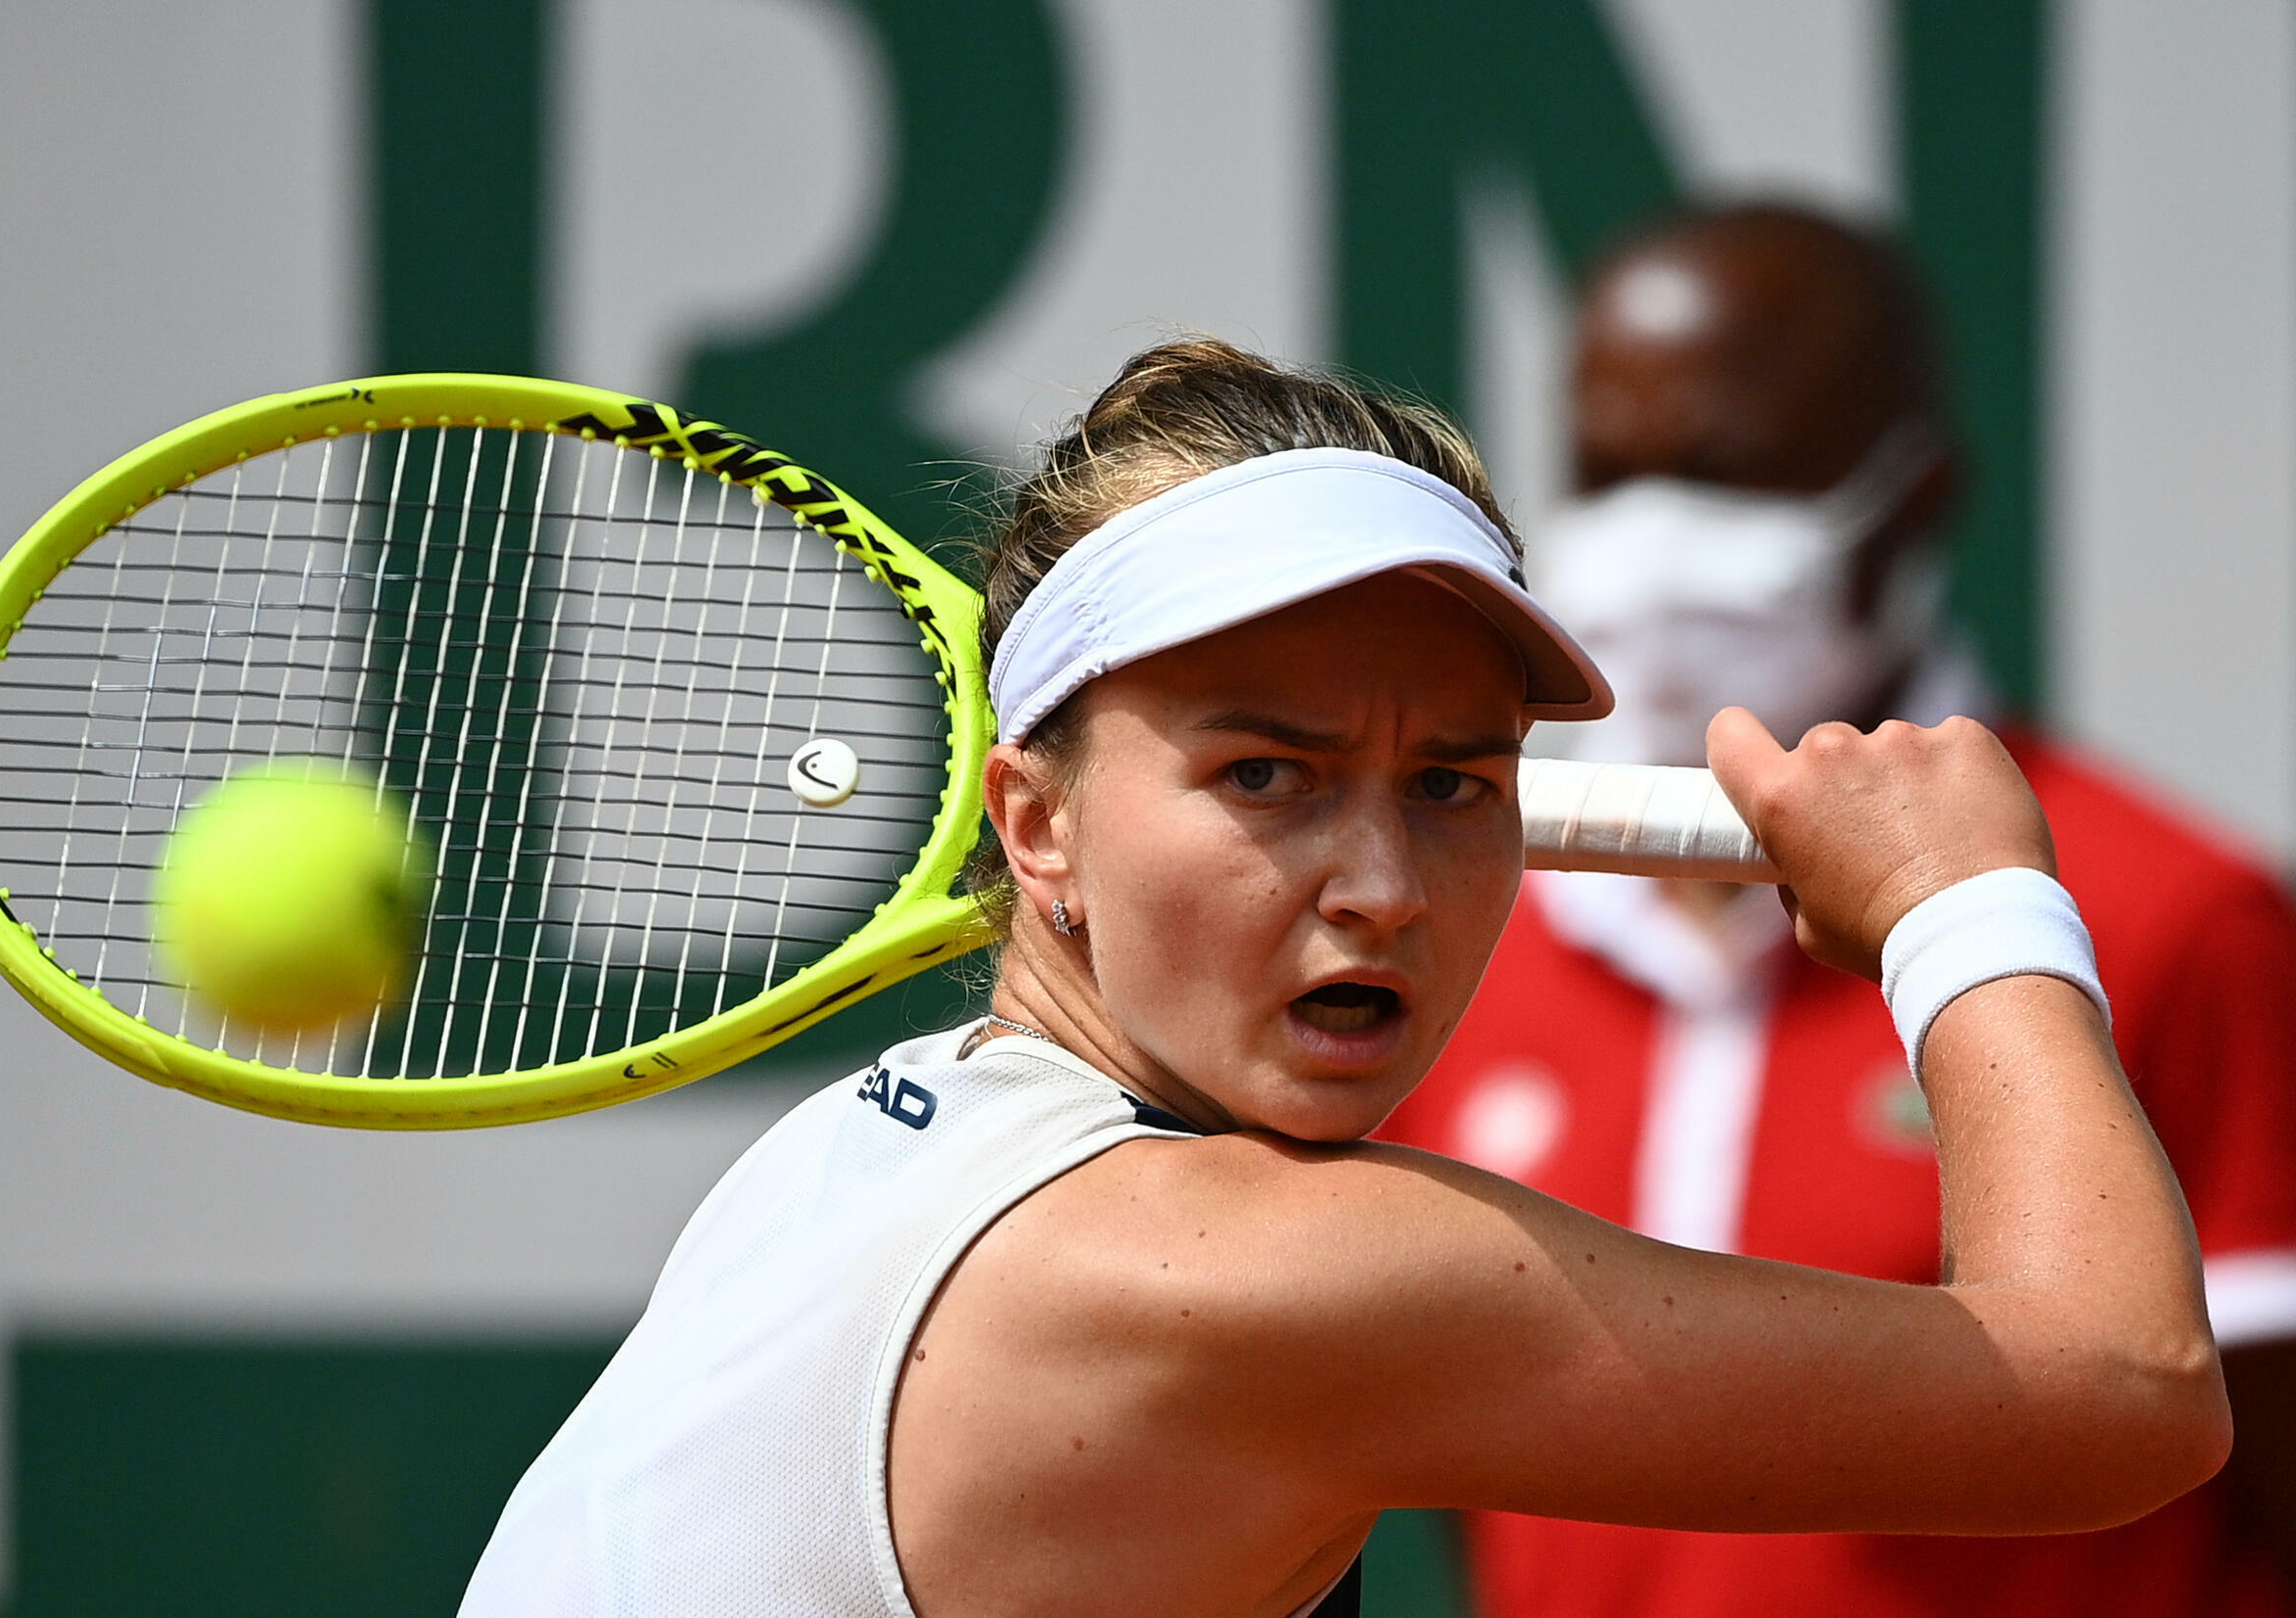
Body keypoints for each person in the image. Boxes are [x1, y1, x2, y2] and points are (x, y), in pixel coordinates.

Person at [458, 340, 2229, 1618]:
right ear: (1039, 822)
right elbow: (2125, 1392)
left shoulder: (851, 1151)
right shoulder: (1246, 1271)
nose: (1380, 886)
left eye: (1451, 780)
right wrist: (1976, 910)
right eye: (1265, 776)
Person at [1381, 206, 2296, 1618]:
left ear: (1916, 499)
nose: (1655, 544)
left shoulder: (2179, 913)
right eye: (1606, 474)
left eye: (1730, 478)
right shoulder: (1445, 904)